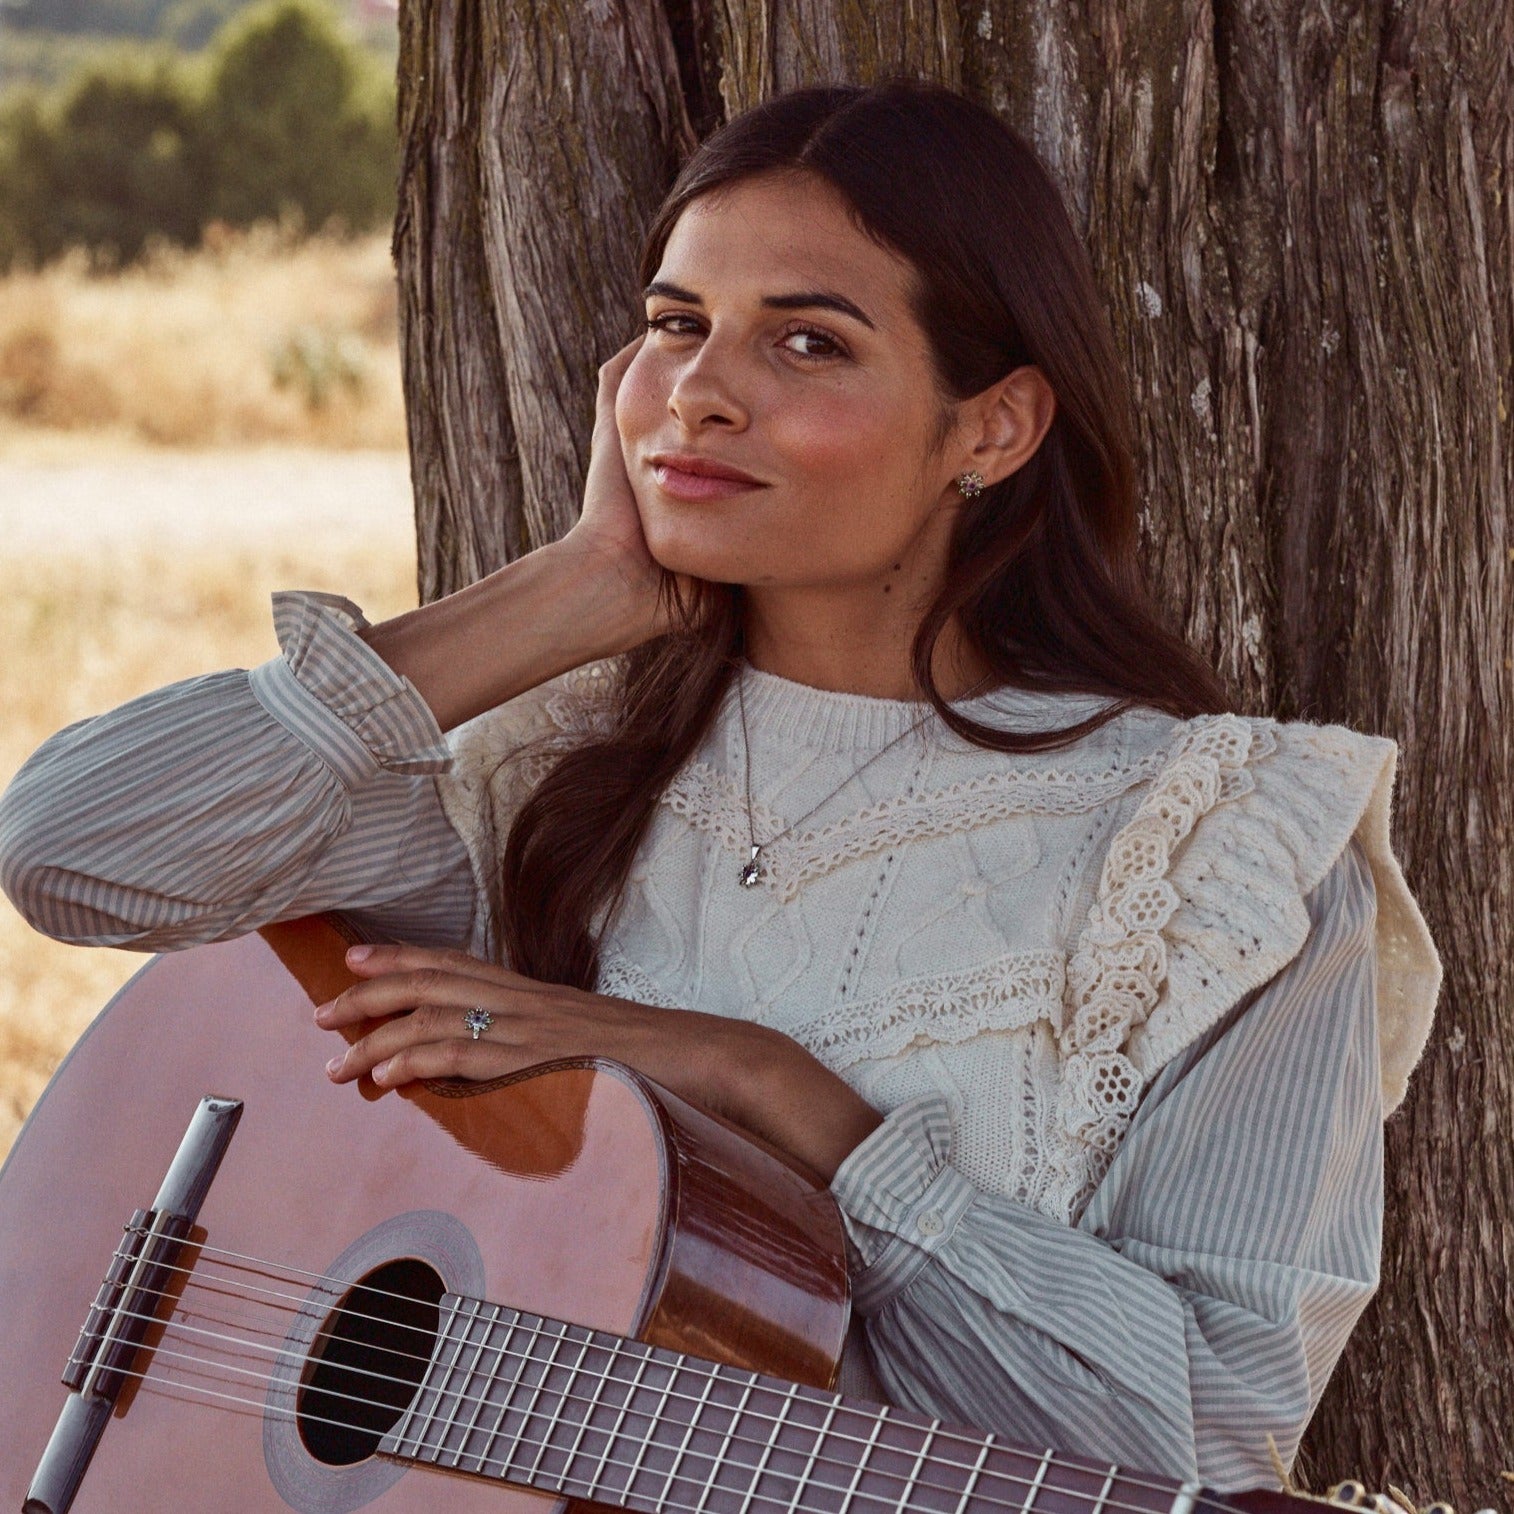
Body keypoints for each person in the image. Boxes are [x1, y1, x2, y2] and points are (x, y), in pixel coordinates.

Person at [0, 80, 1441, 1492]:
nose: (696, 392)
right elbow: (65, 850)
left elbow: (1194, 1442)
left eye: (806, 342)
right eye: (675, 327)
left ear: (991, 430)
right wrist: (572, 590)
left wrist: (774, 1090)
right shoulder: (531, 774)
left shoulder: (1209, 859)